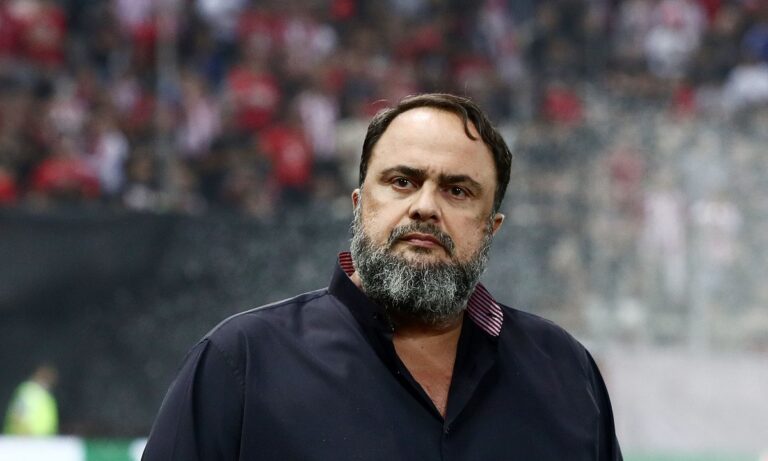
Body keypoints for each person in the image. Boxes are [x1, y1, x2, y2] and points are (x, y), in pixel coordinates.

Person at [142, 93, 623, 460]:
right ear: (359, 205)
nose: (425, 207)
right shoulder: (241, 363)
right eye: (402, 181)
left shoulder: (565, 371)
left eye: (457, 191)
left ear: (490, 227)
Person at [3, 364, 59, 436]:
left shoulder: (46, 396)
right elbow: (17, 415)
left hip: (42, 440)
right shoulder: (28, 391)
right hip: (24, 439)